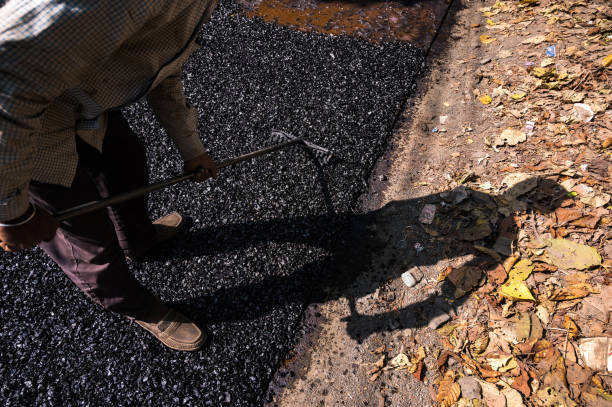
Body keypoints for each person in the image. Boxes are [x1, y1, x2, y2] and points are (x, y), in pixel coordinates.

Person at [0, 1, 220, 351]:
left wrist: (191, 148)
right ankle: (132, 303)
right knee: (85, 235)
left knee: (126, 167)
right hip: (25, 132)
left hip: (89, 100)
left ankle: (138, 240)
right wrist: (12, 213)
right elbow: (5, 79)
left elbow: (161, 63)